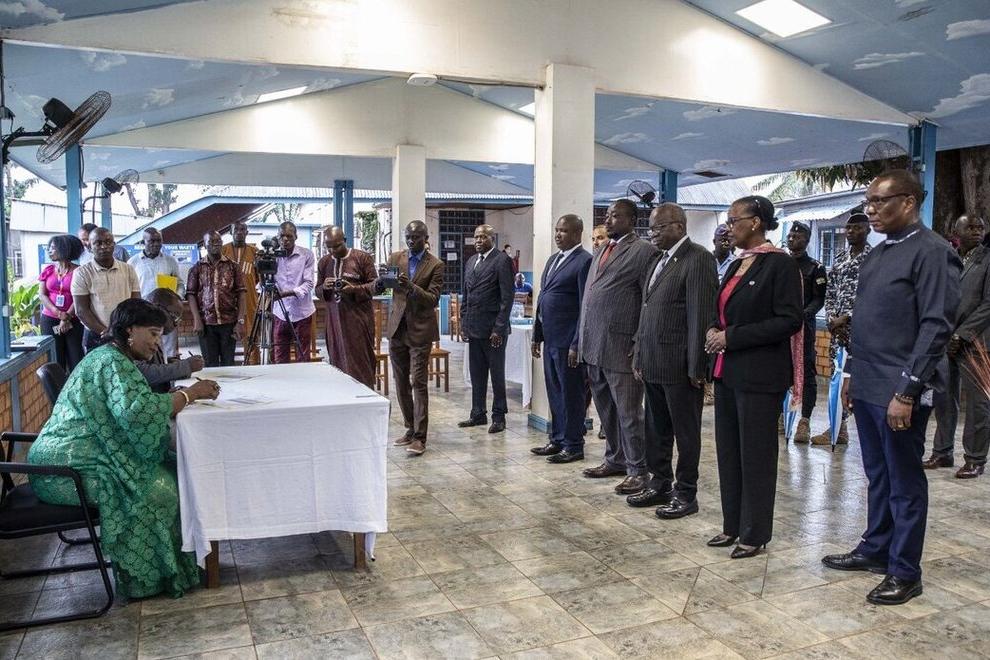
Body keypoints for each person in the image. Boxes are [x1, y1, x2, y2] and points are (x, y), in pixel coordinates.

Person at [822, 171, 960, 606]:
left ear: (909, 201)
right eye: (868, 202)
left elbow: (936, 326)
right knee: (877, 475)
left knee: (904, 481)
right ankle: (876, 548)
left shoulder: (933, 252)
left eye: (880, 201)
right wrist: (851, 375)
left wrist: (907, 391)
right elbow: (867, 322)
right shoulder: (878, 254)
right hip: (868, 382)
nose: (871, 210)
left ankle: (904, 570)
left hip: (902, 389)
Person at [27, 298, 220, 600]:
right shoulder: (111, 362)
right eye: (153, 334)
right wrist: (190, 394)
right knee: (160, 489)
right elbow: (137, 413)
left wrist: (176, 396)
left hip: (88, 453)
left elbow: (131, 406)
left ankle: (181, 564)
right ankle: (149, 579)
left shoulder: (115, 357)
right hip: (64, 467)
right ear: (130, 330)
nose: (157, 343)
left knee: (178, 466)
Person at [705, 195, 802, 559]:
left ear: (756, 222)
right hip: (728, 371)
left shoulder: (780, 264)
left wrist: (732, 337)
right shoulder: (736, 263)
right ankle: (732, 525)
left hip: (760, 374)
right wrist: (713, 329)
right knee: (729, 452)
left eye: (734, 220)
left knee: (756, 456)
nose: (729, 227)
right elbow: (724, 311)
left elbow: (789, 320)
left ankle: (754, 532)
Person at [631, 203, 717, 518]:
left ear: (679, 226)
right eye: (650, 228)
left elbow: (701, 315)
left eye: (658, 227)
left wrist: (697, 366)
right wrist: (639, 353)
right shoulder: (657, 259)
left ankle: (686, 493)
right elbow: (646, 310)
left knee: (686, 432)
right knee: (656, 429)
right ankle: (659, 484)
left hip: (680, 366)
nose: (651, 233)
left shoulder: (698, 258)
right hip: (653, 360)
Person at [579, 199, 658, 495]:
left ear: (632, 220)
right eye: (607, 215)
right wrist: (581, 340)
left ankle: (639, 470)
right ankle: (615, 459)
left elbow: (648, 301)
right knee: (606, 410)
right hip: (594, 345)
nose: (608, 220)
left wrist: (639, 340)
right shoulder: (601, 250)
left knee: (629, 413)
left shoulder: (644, 251)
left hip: (622, 345)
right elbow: (589, 298)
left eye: (615, 216)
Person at [928, 214, 990, 478]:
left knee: (978, 404)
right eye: (970, 227)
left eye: (980, 227)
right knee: (943, 398)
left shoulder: (987, 259)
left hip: (977, 342)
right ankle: (942, 452)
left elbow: (988, 304)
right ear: (956, 231)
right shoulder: (950, 257)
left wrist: (962, 335)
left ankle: (975, 459)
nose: (977, 231)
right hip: (946, 339)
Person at [377, 221, 444, 455]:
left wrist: (410, 287)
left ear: (426, 238)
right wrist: (381, 280)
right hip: (397, 329)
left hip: (420, 330)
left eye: (415, 237)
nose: (411, 240)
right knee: (401, 382)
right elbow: (384, 289)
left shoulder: (435, 264)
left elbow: (433, 299)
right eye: (408, 236)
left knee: (418, 381)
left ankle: (420, 437)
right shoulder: (396, 258)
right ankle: (410, 427)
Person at [531, 214, 592, 463]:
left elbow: (584, 306)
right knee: (555, 392)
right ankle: (557, 439)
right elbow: (543, 297)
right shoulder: (553, 259)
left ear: (577, 233)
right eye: (556, 230)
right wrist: (537, 334)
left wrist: (577, 343)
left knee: (571, 395)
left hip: (568, 342)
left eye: (563, 231)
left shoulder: (584, 261)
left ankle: (574, 445)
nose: (558, 235)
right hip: (550, 338)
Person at [811, 212, 871, 445]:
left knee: (855, 379)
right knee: (838, 377)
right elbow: (831, 292)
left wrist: (847, 318)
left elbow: (873, 296)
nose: (851, 232)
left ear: (868, 230)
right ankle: (838, 426)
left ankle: (851, 426)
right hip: (838, 331)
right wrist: (831, 318)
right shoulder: (840, 258)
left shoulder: (874, 259)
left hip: (862, 330)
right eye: (848, 228)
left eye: (857, 227)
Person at [459, 224, 515, 433]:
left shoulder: (502, 260)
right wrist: (464, 323)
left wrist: (498, 329)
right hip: (474, 327)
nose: (478, 241)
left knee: (496, 375)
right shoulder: (471, 261)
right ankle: (478, 413)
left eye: (483, 237)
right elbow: (466, 295)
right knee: (477, 374)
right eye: (476, 237)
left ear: (493, 239)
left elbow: (507, 298)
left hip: (493, 331)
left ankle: (499, 416)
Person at [315, 226, 377, 388]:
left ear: (345, 241)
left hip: (358, 322)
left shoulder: (362, 258)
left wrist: (353, 289)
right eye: (328, 247)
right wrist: (324, 288)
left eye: (336, 246)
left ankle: (365, 397)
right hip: (334, 324)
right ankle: (343, 398)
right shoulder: (324, 262)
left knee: (361, 364)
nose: (332, 250)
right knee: (337, 363)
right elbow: (317, 291)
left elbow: (376, 286)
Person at [787, 221, 827, 444]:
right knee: (780, 370)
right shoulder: (781, 264)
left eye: (798, 236)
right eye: (791, 235)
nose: (792, 239)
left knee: (807, 372)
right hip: (782, 328)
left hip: (804, 328)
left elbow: (819, 298)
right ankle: (781, 415)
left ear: (807, 240)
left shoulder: (815, 267)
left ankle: (804, 420)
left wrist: (805, 314)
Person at [71, 227, 141, 353]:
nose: (104, 246)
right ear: (89, 247)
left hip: (125, 333)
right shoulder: (81, 273)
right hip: (96, 335)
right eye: (98, 243)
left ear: (114, 245)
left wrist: (124, 331)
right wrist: (107, 332)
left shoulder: (128, 269)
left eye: (108, 242)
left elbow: (135, 303)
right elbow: (81, 310)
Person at [186, 231, 246, 367]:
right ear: (204, 245)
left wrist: (240, 321)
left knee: (228, 363)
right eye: (211, 242)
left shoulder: (233, 266)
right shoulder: (196, 268)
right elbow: (191, 294)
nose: (215, 244)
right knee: (209, 364)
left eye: (218, 241)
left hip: (229, 323)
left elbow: (241, 294)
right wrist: (197, 320)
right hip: (206, 324)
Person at [129, 227, 183, 358]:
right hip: (144, 314)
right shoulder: (133, 263)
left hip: (167, 314)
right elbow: (128, 288)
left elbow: (180, 283)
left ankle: (171, 368)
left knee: (170, 350)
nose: (156, 244)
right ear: (143, 242)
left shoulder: (170, 261)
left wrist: (177, 298)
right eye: (152, 241)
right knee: (148, 348)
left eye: (159, 240)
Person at [138, 288, 205, 393]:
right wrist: (186, 366)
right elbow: (143, 373)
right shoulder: (139, 334)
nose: (176, 323)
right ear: (158, 309)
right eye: (175, 316)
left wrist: (170, 364)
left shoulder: (156, 333)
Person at [38, 235, 85, 373]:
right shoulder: (48, 270)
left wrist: (66, 317)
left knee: (75, 356)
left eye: (53, 248)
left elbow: (81, 297)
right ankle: (57, 386)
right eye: (49, 248)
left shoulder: (79, 271)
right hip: (50, 319)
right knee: (55, 357)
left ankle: (75, 385)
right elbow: (42, 295)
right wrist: (58, 313)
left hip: (73, 320)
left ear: (64, 249)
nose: (49, 251)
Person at [272, 221, 315, 363]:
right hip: (280, 312)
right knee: (280, 355)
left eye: (289, 236)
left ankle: (302, 378)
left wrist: (286, 294)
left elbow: (309, 283)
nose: (285, 239)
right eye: (282, 236)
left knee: (303, 356)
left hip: (302, 313)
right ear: (277, 237)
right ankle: (282, 378)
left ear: (296, 236)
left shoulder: (306, 255)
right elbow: (266, 282)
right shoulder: (272, 256)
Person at [221, 220, 259, 363]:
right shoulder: (223, 250)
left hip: (249, 299)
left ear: (247, 232)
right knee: (227, 334)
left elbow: (258, 278)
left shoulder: (254, 251)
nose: (239, 232)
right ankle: (227, 365)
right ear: (231, 232)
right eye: (236, 229)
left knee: (251, 333)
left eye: (242, 229)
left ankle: (253, 364)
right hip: (228, 300)